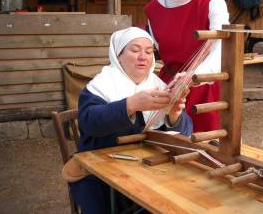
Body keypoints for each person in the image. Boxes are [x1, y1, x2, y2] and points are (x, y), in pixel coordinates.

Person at [69, 27, 193, 214]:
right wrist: (131, 104)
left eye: (149, 51)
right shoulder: (100, 86)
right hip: (100, 169)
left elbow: (184, 134)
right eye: (135, 50)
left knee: (176, 197)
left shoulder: (158, 86)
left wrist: (174, 116)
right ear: (118, 56)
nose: (143, 56)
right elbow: (89, 123)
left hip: (146, 167)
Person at [144, 0, 230, 132]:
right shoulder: (153, 9)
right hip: (170, 87)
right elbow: (153, 49)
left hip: (204, 84)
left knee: (207, 147)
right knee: (171, 145)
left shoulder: (212, 0)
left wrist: (193, 76)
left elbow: (221, 45)